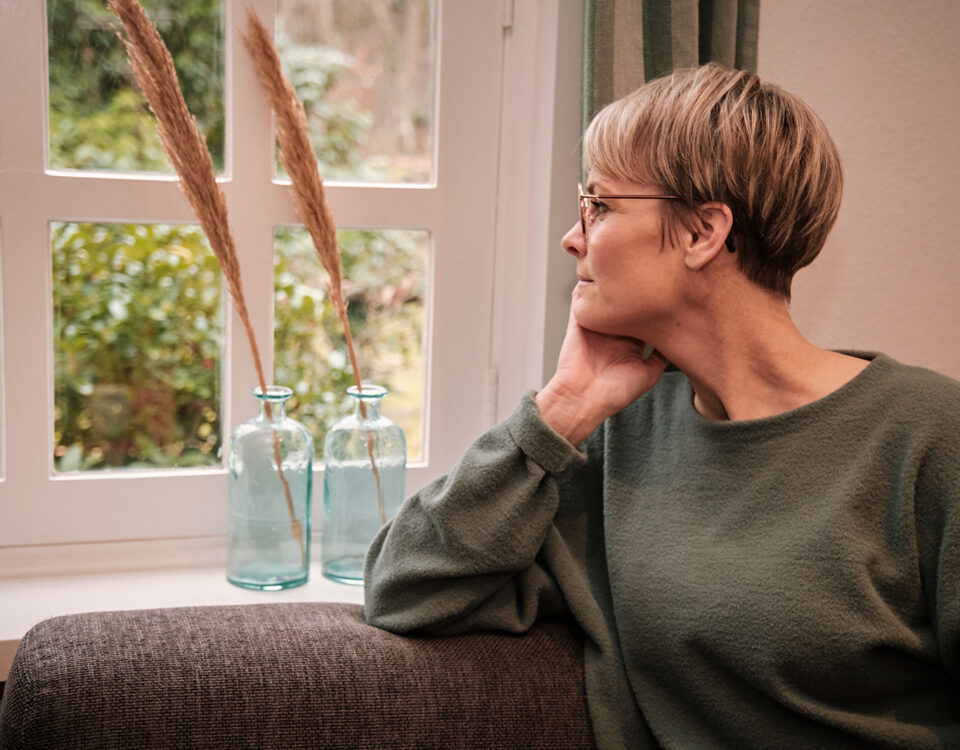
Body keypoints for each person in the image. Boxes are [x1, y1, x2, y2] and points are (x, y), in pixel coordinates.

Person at [363, 63, 960, 749]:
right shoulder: (614, 440)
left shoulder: (931, 440)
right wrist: (559, 411)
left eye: (601, 205)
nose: (573, 235)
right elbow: (404, 589)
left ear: (703, 232)